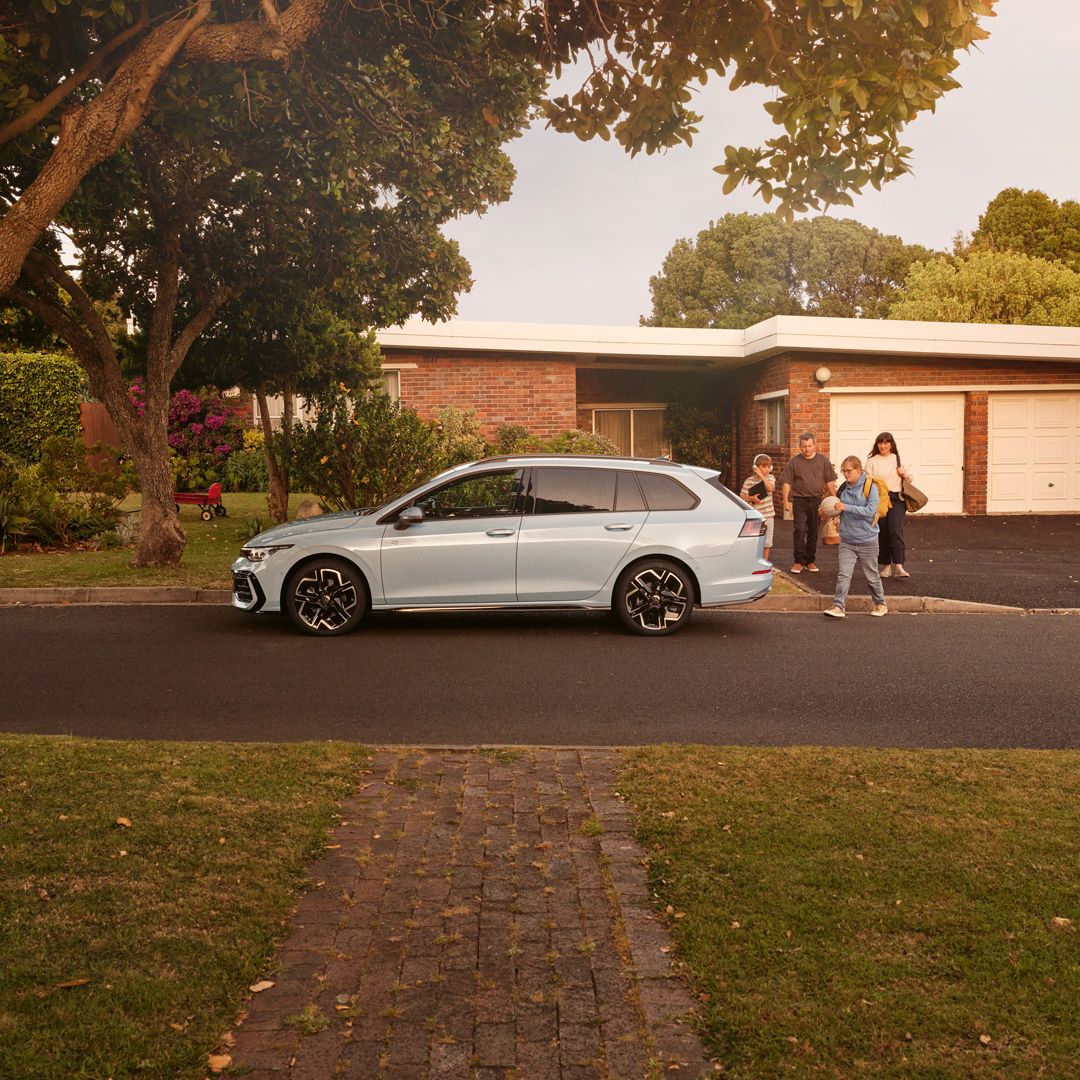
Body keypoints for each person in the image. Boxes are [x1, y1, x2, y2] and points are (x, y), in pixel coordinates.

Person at [821, 455, 887, 618]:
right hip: (847, 540)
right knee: (844, 574)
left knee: (872, 576)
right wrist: (827, 510)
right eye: (843, 471)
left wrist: (846, 507)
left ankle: (880, 603)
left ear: (858, 470)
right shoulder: (844, 487)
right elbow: (836, 506)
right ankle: (838, 606)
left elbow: (871, 511)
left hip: (867, 540)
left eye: (848, 471)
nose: (846, 474)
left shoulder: (870, 487)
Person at [779, 432, 837, 574]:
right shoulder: (794, 462)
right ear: (800, 446)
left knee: (813, 531)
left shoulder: (823, 461)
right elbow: (787, 482)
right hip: (799, 501)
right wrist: (785, 500)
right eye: (804, 446)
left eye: (810, 446)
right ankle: (798, 562)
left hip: (817, 501)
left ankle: (810, 560)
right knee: (799, 530)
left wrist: (835, 498)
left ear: (814, 445)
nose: (807, 449)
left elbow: (830, 481)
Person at [864, 431, 912, 578]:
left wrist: (903, 474)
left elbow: (909, 479)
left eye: (886, 442)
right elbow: (867, 481)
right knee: (882, 532)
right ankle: (886, 567)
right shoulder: (872, 461)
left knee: (895, 530)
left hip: (897, 499)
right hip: (879, 499)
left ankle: (899, 566)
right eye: (880, 442)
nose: (883, 446)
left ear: (891, 444)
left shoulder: (896, 459)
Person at [739, 453, 776, 560]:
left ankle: (764, 563)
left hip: (768, 516)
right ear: (755, 467)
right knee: (754, 542)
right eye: (763, 467)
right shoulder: (749, 481)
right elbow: (741, 496)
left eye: (768, 467)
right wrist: (751, 498)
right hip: (755, 516)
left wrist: (762, 476)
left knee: (767, 543)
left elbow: (770, 489)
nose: (766, 469)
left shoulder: (770, 478)